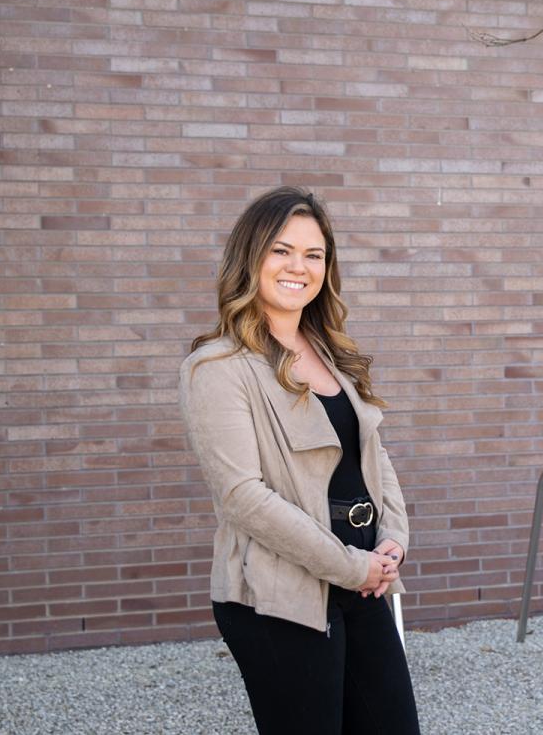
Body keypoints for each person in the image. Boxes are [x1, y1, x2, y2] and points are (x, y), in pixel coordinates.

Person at [178, 187, 421, 734]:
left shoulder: (331, 352)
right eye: (281, 250)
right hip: (277, 594)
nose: (299, 267)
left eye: (314, 255)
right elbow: (243, 497)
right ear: (251, 257)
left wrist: (395, 539)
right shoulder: (216, 367)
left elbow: (373, 453)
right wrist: (350, 564)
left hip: (363, 576)